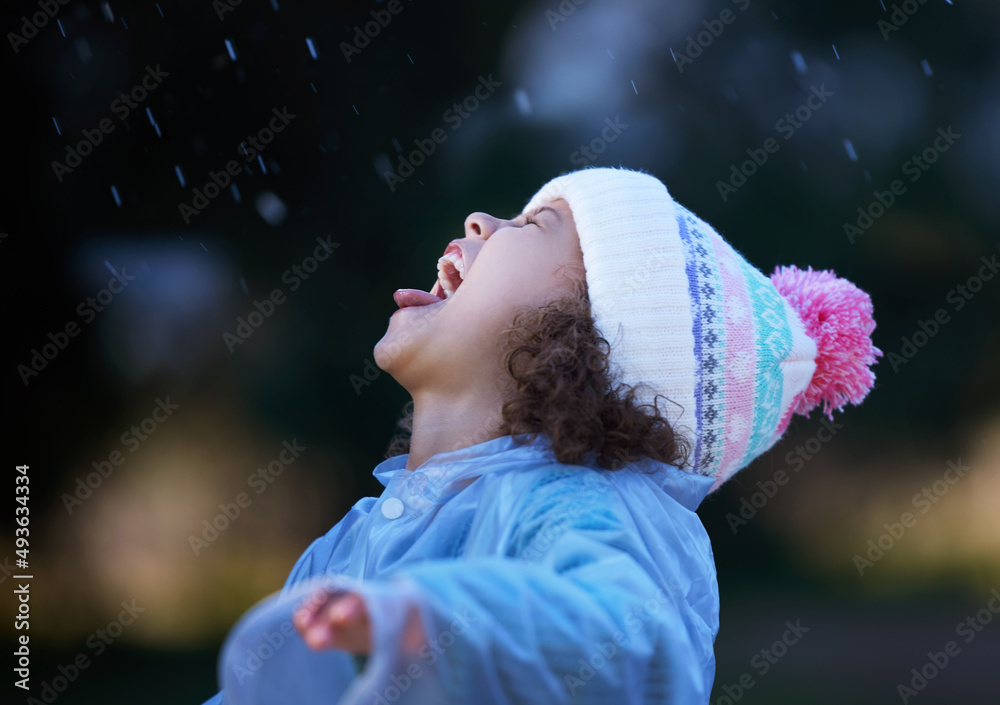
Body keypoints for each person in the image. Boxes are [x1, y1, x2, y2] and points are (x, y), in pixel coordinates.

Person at [201, 166, 881, 704]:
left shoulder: (577, 506)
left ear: (586, 337)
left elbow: (632, 650)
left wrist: (434, 623)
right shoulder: (350, 540)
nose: (479, 220)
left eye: (533, 223)